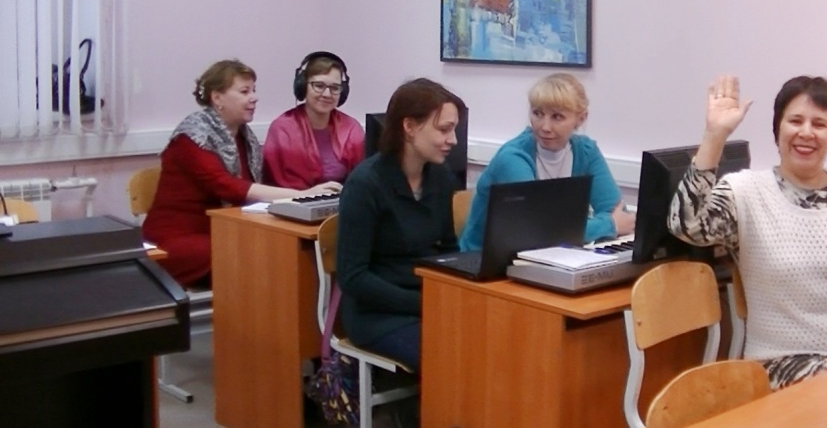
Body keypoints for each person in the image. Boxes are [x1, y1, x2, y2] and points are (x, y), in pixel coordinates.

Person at [667, 74, 827, 390]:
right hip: (781, 363)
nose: (806, 132)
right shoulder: (745, 191)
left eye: (819, 124)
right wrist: (715, 135)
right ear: (778, 131)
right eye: (795, 121)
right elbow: (686, 225)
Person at [143, 60, 337, 287]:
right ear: (217, 98)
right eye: (245, 92)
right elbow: (227, 186)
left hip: (225, 230)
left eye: (254, 90)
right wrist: (303, 195)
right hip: (177, 238)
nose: (254, 98)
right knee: (262, 256)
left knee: (289, 249)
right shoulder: (191, 137)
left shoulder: (244, 137)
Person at [336, 78, 465, 373]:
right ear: (409, 127)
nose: (453, 140)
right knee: (452, 356)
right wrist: (423, 303)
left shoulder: (440, 178)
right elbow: (353, 277)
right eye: (444, 129)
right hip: (377, 315)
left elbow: (448, 250)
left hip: (426, 303)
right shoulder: (365, 185)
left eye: (454, 129)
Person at [459, 72, 634, 251]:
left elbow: (619, 214)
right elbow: (538, 231)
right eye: (538, 114)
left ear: (580, 118)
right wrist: (608, 225)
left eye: (557, 117)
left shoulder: (586, 152)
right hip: (482, 259)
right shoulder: (513, 157)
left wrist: (602, 225)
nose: (545, 127)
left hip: (550, 256)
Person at [263, 51, 364, 189]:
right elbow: (276, 184)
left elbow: (361, 179)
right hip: (293, 200)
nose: (327, 94)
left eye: (334, 88)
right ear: (303, 86)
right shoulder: (282, 129)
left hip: (343, 199)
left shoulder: (351, 128)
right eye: (319, 86)